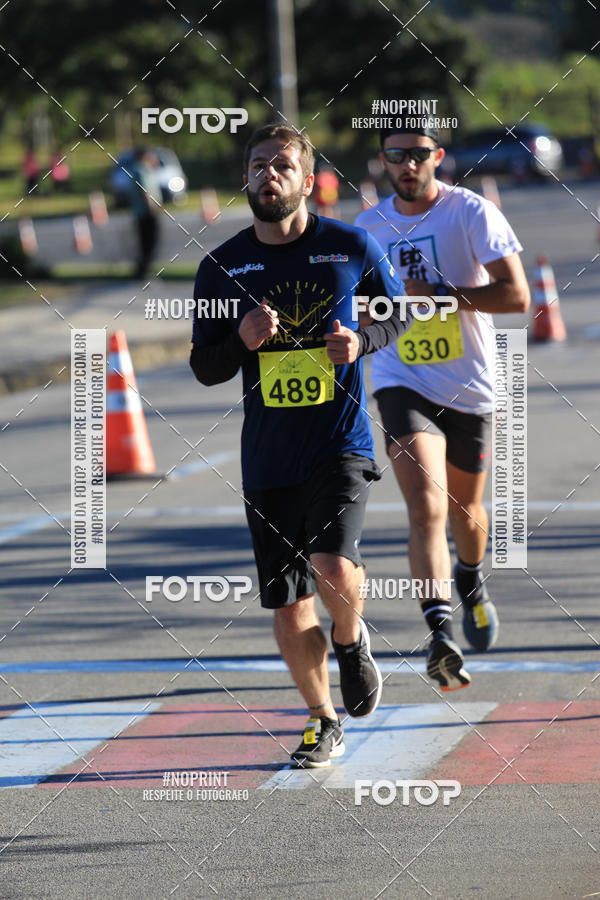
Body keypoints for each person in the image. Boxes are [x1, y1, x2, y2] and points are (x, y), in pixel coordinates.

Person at [190, 123, 411, 767]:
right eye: (258, 164)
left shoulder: (350, 245)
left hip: (340, 441)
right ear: (246, 178)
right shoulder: (222, 266)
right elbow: (205, 367)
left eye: (282, 164)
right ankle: (322, 720)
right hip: (268, 456)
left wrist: (362, 342)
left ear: (308, 179)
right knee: (289, 605)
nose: (268, 174)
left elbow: (394, 313)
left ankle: (351, 640)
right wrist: (241, 342)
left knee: (333, 566)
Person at [355, 124, 530, 690]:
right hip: (400, 379)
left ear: (439, 157)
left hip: (470, 384)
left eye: (419, 155)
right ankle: (439, 633)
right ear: (383, 161)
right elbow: (358, 310)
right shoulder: (368, 227)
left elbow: (517, 296)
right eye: (397, 156)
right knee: (426, 507)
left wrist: (446, 296)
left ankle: (472, 579)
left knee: (465, 514)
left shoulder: (471, 213)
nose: (408, 165)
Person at [128, 148, 161, 280]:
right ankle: (144, 271)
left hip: (143, 213)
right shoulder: (141, 170)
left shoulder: (146, 170)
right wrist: (152, 209)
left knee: (146, 243)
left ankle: (143, 270)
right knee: (148, 243)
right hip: (146, 213)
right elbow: (145, 192)